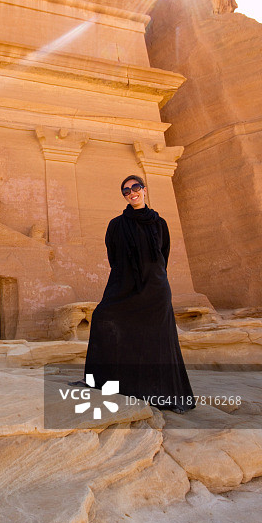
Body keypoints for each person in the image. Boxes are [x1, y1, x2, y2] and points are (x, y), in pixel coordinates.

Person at [79, 175, 195, 413]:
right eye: (126, 191)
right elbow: (113, 257)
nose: (132, 193)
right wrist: (127, 278)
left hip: (155, 289)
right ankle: (108, 383)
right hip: (125, 285)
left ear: (144, 189)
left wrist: (154, 276)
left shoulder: (159, 223)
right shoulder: (116, 224)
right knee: (103, 318)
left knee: (159, 339)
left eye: (135, 188)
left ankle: (164, 394)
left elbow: (164, 253)